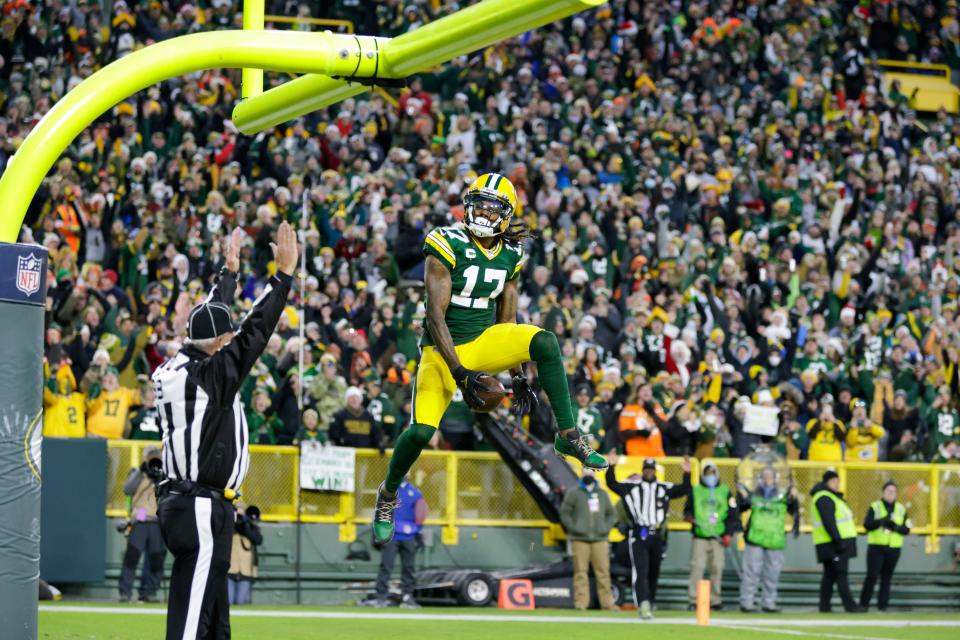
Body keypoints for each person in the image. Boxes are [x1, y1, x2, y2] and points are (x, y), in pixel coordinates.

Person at [373, 173, 606, 545]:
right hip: (442, 349)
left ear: (506, 213)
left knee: (544, 342)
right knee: (420, 432)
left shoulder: (512, 254)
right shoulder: (446, 241)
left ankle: (568, 435)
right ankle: (387, 494)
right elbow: (435, 316)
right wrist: (461, 373)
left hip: (483, 340)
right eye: (478, 203)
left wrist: (516, 375)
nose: (482, 212)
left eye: (491, 206)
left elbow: (507, 322)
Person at [153, 224, 298, 640]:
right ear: (219, 341)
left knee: (215, 621)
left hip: (194, 501)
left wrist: (229, 276)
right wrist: (283, 277)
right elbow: (255, 332)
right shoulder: (210, 376)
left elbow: (213, 319)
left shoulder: (179, 366)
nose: (231, 339)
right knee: (191, 618)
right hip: (197, 504)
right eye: (226, 336)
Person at [605, 454, 691, 619]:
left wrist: (687, 474)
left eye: (652, 469)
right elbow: (612, 484)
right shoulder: (633, 487)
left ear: (655, 471)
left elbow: (683, 490)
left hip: (657, 534)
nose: (649, 472)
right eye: (647, 469)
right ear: (643, 471)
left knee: (653, 571)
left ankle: (649, 602)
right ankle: (643, 603)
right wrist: (611, 466)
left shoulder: (662, 488)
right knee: (641, 570)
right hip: (640, 532)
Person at [737, 468, 799, 613]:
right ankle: (747, 602)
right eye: (765, 476)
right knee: (751, 572)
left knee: (772, 573)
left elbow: (793, 510)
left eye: (770, 476)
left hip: (775, 539)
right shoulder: (753, 495)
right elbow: (741, 508)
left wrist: (794, 498)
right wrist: (740, 495)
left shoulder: (782, 496)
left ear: (776, 478)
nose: (767, 479)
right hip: (755, 537)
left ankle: (769, 603)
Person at [559, 468, 618, 611]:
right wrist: (574, 528)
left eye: (590, 472)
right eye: (585, 471)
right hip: (580, 539)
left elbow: (612, 514)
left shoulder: (602, 494)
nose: (588, 474)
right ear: (581, 473)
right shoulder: (573, 493)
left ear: (595, 473)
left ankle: (607, 604)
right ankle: (581, 603)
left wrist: (605, 528)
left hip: (600, 539)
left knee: (603, 572)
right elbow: (564, 513)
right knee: (580, 572)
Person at [685, 461, 738, 610]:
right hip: (700, 536)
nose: (710, 477)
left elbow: (732, 514)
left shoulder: (725, 491)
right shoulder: (695, 491)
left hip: (718, 537)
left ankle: (715, 600)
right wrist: (689, 517)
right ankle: (693, 600)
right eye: (707, 474)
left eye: (713, 474)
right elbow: (687, 510)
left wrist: (728, 534)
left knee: (717, 567)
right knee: (697, 567)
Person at [811, 470, 865, 613]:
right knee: (841, 574)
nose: (837, 484)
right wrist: (838, 541)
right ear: (826, 482)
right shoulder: (825, 497)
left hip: (830, 543)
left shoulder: (830, 497)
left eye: (837, 481)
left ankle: (824, 606)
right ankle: (850, 606)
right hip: (833, 543)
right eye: (833, 481)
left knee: (830, 575)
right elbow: (829, 522)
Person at [369, 478, 427, 609]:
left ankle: (407, 597)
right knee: (386, 566)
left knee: (409, 568)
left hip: (409, 536)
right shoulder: (387, 490)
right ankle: (381, 597)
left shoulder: (415, 493)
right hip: (390, 535)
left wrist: (418, 531)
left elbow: (421, 513)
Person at [119, 446, 166, 603]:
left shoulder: (164, 475)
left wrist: (160, 475)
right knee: (132, 557)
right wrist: (141, 471)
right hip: (141, 517)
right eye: (151, 456)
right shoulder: (138, 473)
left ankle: (148, 592)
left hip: (157, 521)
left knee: (156, 559)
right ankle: (125, 592)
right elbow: (127, 489)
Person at [859, 481, 910, 611]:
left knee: (886, 578)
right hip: (876, 546)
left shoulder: (901, 508)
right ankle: (864, 605)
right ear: (883, 492)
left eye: (894, 491)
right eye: (888, 491)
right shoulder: (875, 506)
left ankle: (883, 606)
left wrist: (896, 527)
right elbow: (867, 525)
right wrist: (881, 521)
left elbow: (907, 529)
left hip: (893, 548)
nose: (891, 494)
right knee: (872, 576)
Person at [228, 505, 263, 606]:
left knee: (241, 601)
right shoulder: (228, 525)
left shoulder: (251, 527)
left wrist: (245, 522)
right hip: (229, 570)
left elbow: (258, 540)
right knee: (228, 601)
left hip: (246, 571)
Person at [329, 386, 383, 450]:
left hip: (365, 454)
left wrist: (379, 443)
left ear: (360, 400)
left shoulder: (368, 416)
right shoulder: (340, 416)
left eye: (356, 397)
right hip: (347, 454)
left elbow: (375, 434)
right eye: (351, 398)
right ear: (347, 400)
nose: (354, 400)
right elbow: (334, 436)